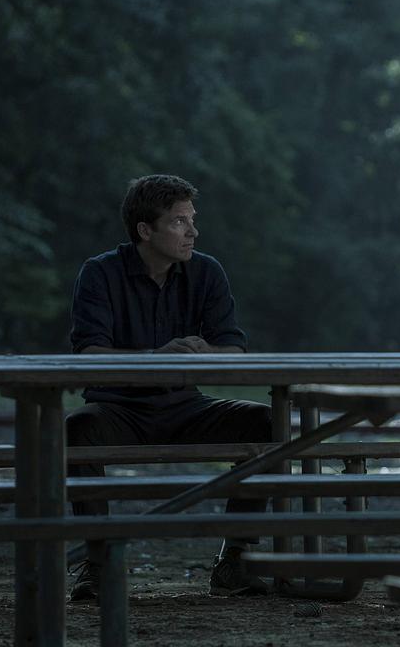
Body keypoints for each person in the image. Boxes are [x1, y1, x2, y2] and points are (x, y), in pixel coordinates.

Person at [66, 174, 272, 600]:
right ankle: (97, 563)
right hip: (117, 408)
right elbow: (88, 355)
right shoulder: (100, 272)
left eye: (192, 220)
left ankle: (235, 557)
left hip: (185, 406)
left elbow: (234, 348)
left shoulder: (206, 271)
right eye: (180, 221)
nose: (193, 231)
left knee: (268, 423)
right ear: (145, 230)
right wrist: (154, 356)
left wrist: (207, 353)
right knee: (77, 428)